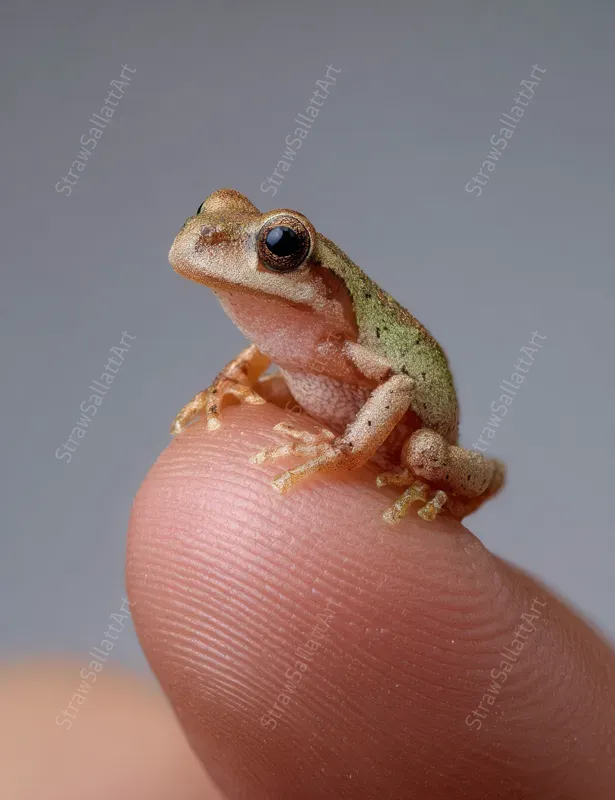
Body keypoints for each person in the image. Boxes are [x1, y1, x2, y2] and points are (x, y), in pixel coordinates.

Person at [3, 403, 614, 798]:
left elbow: (399, 385)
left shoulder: (342, 342)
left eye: (277, 247)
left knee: (423, 456)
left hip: (419, 440)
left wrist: (346, 456)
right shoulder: (289, 336)